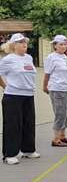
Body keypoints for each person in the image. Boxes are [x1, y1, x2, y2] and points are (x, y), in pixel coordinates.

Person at [0, 33, 40, 165]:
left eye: (25, 42)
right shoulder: (8, 59)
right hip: (13, 96)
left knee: (29, 123)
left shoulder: (28, 58)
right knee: (13, 125)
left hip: (28, 95)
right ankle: (9, 154)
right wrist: (5, 86)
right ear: (13, 45)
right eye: (20, 42)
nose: (24, 44)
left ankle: (28, 150)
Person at [43, 35, 67, 147]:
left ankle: (63, 136)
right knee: (60, 114)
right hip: (58, 89)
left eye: (65, 44)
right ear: (55, 46)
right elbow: (47, 73)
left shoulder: (65, 57)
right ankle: (55, 139)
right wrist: (45, 86)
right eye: (60, 44)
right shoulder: (52, 57)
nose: (63, 46)